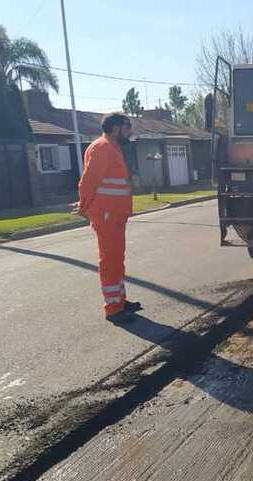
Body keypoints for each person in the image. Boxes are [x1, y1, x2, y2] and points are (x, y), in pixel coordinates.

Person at [77, 113, 142, 325]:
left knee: (117, 259)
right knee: (110, 260)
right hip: (106, 214)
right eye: (127, 127)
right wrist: (83, 205)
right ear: (115, 127)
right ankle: (113, 309)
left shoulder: (111, 148)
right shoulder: (102, 148)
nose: (130, 131)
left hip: (114, 214)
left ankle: (120, 302)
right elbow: (88, 181)